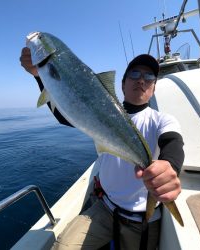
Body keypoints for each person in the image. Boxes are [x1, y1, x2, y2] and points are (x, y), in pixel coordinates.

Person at [20, 48, 184, 250]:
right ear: (122, 84)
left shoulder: (162, 120)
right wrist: (40, 75)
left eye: (149, 76)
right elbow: (65, 114)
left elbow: (173, 143)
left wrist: (170, 166)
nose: (141, 80)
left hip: (141, 219)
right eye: (134, 74)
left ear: (153, 88)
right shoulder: (99, 111)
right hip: (104, 209)